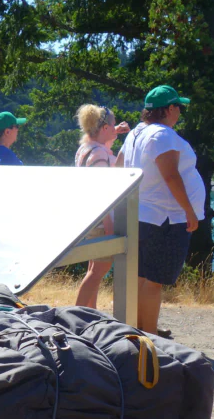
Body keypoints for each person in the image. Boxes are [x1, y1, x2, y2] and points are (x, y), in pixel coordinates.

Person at [115, 85, 205, 335]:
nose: (180, 113)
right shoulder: (163, 135)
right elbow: (171, 176)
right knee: (154, 281)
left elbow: (120, 166)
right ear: (170, 108)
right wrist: (189, 210)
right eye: (179, 108)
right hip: (166, 217)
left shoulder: (135, 133)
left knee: (142, 276)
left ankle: (139, 328)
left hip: (142, 215)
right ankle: (151, 336)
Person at [73, 104, 130, 308]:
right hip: (101, 220)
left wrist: (113, 131)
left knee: (93, 269)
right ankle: (76, 315)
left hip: (91, 218)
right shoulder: (99, 154)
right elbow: (102, 192)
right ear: (104, 128)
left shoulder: (86, 148)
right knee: (99, 271)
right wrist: (109, 225)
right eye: (112, 125)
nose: (115, 129)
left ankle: (90, 313)